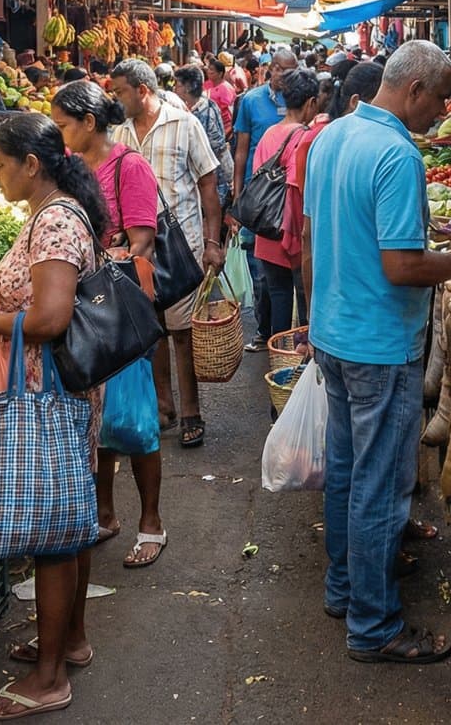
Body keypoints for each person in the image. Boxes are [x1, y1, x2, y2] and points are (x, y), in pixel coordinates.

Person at [300, 41, 451, 663]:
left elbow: (322, 231)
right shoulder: (396, 153)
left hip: (335, 332)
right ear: (414, 89)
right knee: (381, 486)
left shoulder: (333, 135)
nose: (444, 110)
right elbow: (402, 267)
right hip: (380, 344)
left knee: (346, 470)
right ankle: (374, 626)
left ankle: (344, 590)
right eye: (441, 97)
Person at [0, 115, 106, 720]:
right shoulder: (48, 216)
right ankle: (69, 641)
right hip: (55, 388)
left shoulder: (57, 223)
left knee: (51, 531)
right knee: (70, 515)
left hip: (50, 393)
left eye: (0, 162)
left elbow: (48, 320)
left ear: (31, 165)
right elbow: (36, 298)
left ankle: (49, 680)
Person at [51, 82, 168, 569]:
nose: (58, 134)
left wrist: (96, 259)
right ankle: (105, 513)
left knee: (135, 423)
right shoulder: (73, 169)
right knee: (98, 420)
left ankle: (152, 523)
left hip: (118, 309)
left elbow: (141, 242)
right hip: (84, 307)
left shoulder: (129, 166)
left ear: (89, 123)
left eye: (62, 125)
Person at [107, 59, 223, 449]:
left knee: (182, 334)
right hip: (137, 247)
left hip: (180, 246)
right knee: (151, 331)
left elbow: (209, 185)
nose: (115, 98)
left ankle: (191, 411)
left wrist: (212, 242)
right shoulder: (119, 132)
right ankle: (164, 407)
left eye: (120, 91)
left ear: (142, 90)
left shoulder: (183, 124)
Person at [249, 69, 322, 354]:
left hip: (266, 228)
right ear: (311, 103)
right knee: (304, 303)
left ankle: (278, 363)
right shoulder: (305, 137)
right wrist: (300, 237)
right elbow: (298, 189)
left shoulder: (269, 133)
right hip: (292, 233)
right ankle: (299, 370)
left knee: (278, 297)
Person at [232, 46, 300, 351]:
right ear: (271, 69)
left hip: (290, 200)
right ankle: (264, 330)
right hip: (259, 199)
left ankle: (281, 338)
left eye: (293, 70)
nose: (287, 76)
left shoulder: (299, 101)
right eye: (283, 70)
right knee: (261, 272)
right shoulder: (250, 101)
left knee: (286, 274)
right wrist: (237, 198)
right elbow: (241, 150)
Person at [173, 65, 232, 210]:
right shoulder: (195, 107)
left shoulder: (204, 113)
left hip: (208, 182)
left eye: (178, 85)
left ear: (187, 88)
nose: (175, 89)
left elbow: (217, 149)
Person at [204, 59, 237, 133]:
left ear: (220, 73)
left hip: (222, 127)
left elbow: (229, 112)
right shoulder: (206, 84)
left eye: (212, 70)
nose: (209, 71)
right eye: (208, 69)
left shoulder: (226, 88)